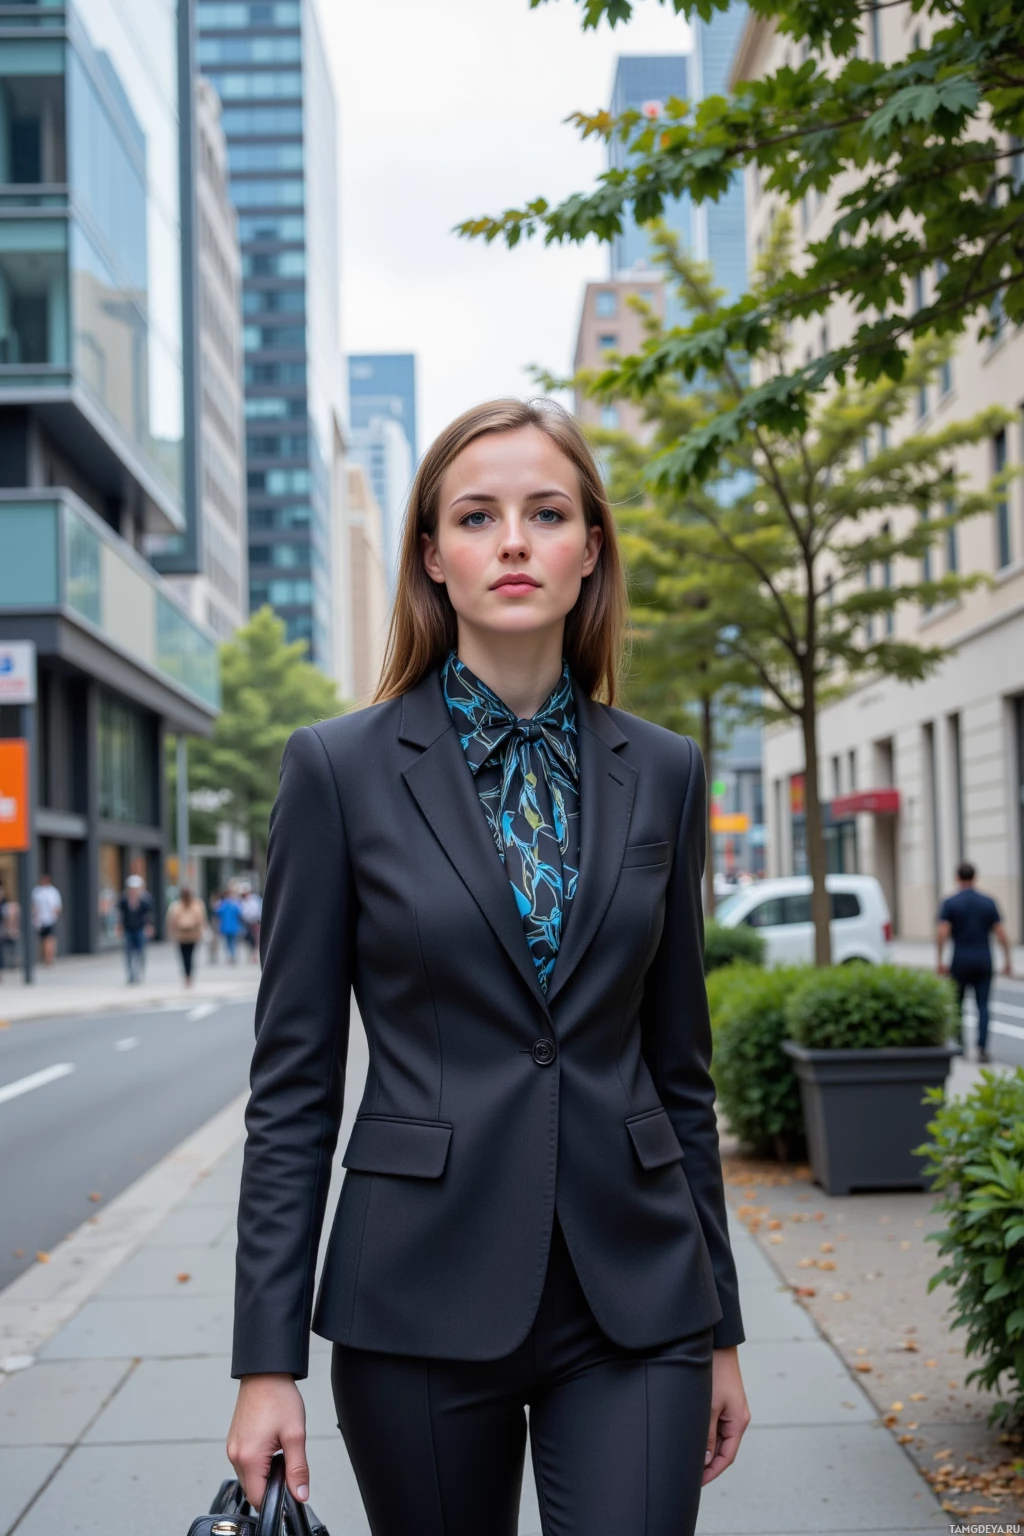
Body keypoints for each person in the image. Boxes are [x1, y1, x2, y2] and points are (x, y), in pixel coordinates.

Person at [226, 399, 750, 1536]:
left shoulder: (665, 771)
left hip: (637, 1294)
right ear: (432, 555)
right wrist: (266, 1362)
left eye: (546, 514)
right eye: (476, 516)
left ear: (590, 549)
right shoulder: (336, 771)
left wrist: (722, 1325)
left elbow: (681, 1069)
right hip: (415, 1293)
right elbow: (294, 1088)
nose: (513, 541)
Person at [937, 861, 1013, 1063]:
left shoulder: (950, 902)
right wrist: (1007, 960)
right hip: (983, 958)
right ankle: (982, 1048)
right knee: (983, 1005)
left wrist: (940, 960)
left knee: (958, 1004)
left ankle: (960, 1045)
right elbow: (1001, 932)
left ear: (957, 877)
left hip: (960, 958)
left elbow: (943, 932)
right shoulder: (988, 901)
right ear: (975, 877)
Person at [166, 886, 208, 988]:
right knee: (184, 957)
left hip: (193, 934)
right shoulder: (177, 906)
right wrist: (171, 932)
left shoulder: (196, 904)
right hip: (181, 935)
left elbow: (201, 919)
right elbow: (172, 920)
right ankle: (187, 975)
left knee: (190, 956)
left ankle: (188, 975)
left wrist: (203, 930)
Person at [117, 874, 154, 985]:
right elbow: (121, 915)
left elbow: (149, 915)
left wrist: (149, 926)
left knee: (141, 952)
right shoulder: (124, 900)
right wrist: (120, 926)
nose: (133, 891)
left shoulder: (145, 900)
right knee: (128, 953)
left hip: (140, 929)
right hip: (128, 929)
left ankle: (139, 973)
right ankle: (131, 975)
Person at [30, 873, 62, 966]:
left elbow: (57, 906)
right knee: (44, 940)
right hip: (40, 920)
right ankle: (46, 957)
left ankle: (49, 958)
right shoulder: (37, 891)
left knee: (49, 939)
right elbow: (34, 906)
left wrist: (54, 915)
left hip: (50, 919)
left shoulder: (52, 891)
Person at [218, 885, 244, 964]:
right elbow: (239, 913)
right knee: (232, 942)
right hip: (233, 926)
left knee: (228, 942)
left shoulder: (223, 904)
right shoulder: (234, 904)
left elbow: (218, 912)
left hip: (226, 927)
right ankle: (232, 956)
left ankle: (231, 956)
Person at [240, 884, 263, 964]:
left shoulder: (255, 900)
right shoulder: (242, 902)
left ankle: (255, 956)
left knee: (256, 940)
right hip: (246, 923)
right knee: (248, 940)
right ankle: (251, 955)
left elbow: (258, 910)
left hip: (255, 922)